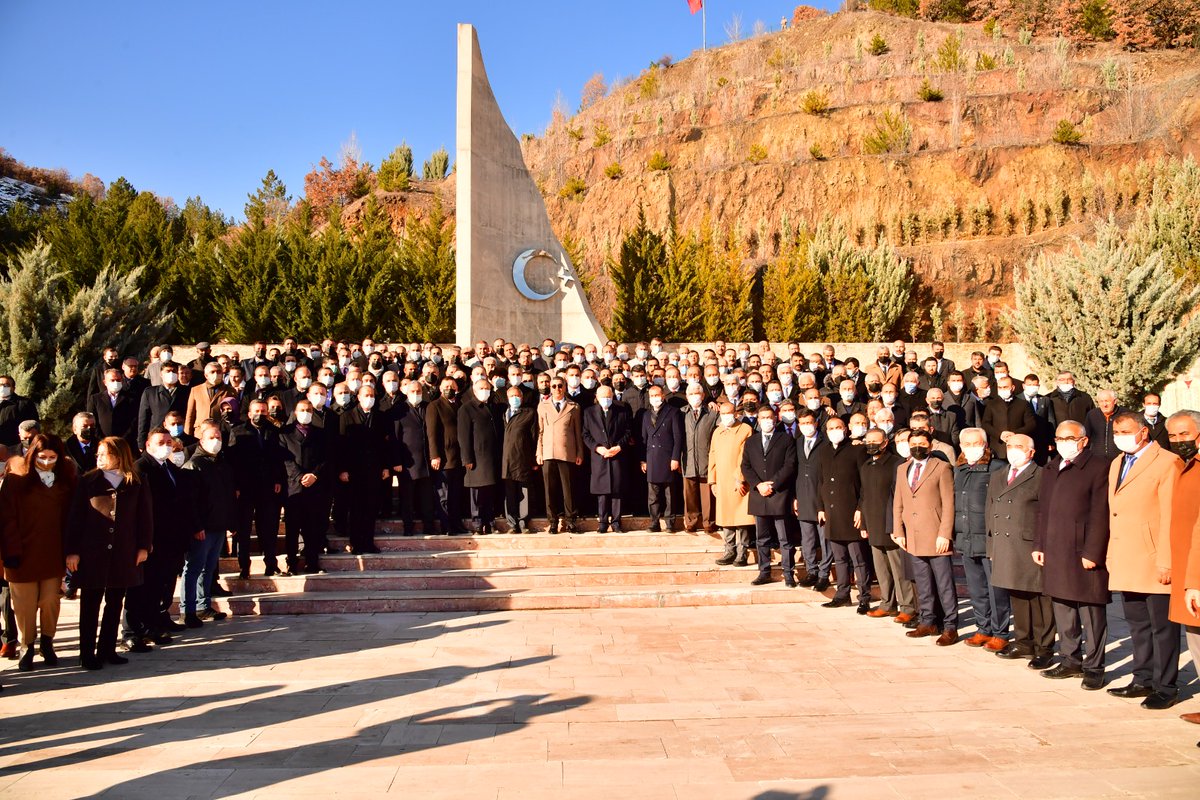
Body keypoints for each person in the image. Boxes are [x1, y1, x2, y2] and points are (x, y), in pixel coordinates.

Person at [1105, 411, 1183, 709]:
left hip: (1154, 557)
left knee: (1162, 627)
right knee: (1137, 623)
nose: (1120, 436)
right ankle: (1143, 678)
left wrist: (1166, 560)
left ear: (1144, 431)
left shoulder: (1166, 462)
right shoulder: (1118, 462)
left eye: (1126, 430)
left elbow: (1170, 517)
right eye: (1116, 431)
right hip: (1126, 556)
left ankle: (1166, 686)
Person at [1034, 420, 1111, 690]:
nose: (1065, 443)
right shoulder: (1052, 466)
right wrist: (1039, 544)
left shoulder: (1098, 467)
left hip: (1083, 550)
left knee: (1091, 609)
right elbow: (1042, 510)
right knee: (1063, 606)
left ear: (1084, 440)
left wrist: (1093, 551)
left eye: (1070, 438)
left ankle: (1094, 665)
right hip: (1056, 548)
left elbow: (1101, 513)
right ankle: (1069, 658)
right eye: (1060, 438)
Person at [65, 436, 152, 670]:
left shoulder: (137, 481)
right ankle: (87, 653)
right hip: (92, 552)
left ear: (118, 455)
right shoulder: (88, 481)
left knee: (115, 603)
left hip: (124, 551)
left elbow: (145, 517)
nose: (99, 457)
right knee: (90, 604)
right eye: (98, 454)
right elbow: (75, 519)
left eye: (104, 453)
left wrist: (144, 546)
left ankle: (107, 649)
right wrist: (72, 551)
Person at [0, 434, 77, 670]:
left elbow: (72, 518)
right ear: (33, 455)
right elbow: (7, 518)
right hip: (21, 553)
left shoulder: (65, 480)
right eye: (42, 457)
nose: (46, 461)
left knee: (49, 601)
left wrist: (71, 550)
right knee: (23, 605)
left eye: (52, 457)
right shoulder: (16, 480)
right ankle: (27, 645)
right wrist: (11, 551)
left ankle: (47, 642)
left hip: (52, 552)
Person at [124, 428, 201, 650]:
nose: (166, 445)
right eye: (161, 442)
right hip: (150, 538)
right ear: (148, 444)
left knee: (157, 586)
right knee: (139, 588)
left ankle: (151, 626)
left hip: (170, 539)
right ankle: (131, 631)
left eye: (169, 441)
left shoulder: (169, 467)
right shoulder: (141, 468)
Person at [986, 433, 1054, 667]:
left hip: (1029, 544)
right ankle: (1023, 641)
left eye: (1019, 446)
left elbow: (1047, 513)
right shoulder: (998, 475)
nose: (1013, 450)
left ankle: (1044, 646)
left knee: (1038, 596)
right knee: (1016, 593)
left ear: (1031, 452)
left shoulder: (1042, 475)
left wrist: (1043, 544)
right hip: (1005, 544)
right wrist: (991, 545)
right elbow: (990, 510)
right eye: (1010, 445)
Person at [894, 429, 958, 646]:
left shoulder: (942, 468)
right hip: (912, 535)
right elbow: (898, 502)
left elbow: (949, 504)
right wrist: (898, 531)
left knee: (944, 583)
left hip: (936, 534)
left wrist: (945, 534)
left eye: (922, 444)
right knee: (922, 582)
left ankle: (950, 626)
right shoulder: (903, 469)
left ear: (930, 446)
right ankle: (927, 621)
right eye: (913, 444)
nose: (917, 448)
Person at [953, 427, 1009, 651]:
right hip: (966, 537)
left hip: (989, 538)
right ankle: (983, 627)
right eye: (966, 444)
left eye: (976, 444)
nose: (971, 448)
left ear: (985, 445)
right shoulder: (960, 469)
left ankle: (1000, 631)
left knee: (996, 589)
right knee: (976, 587)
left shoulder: (997, 468)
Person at [181, 420, 235, 625]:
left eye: (218, 437)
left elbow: (227, 496)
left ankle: (204, 606)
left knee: (209, 568)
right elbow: (190, 502)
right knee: (193, 568)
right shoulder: (194, 465)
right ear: (201, 441)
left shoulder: (222, 464)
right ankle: (188, 610)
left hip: (218, 525)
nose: (215, 441)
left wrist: (231, 523)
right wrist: (196, 526)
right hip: (202, 528)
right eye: (211, 438)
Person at [858, 427, 914, 623]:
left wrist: (896, 525)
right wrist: (864, 523)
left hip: (891, 524)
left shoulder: (896, 464)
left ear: (884, 442)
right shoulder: (866, 465)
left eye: (876, 441)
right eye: (868, 441)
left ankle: (907, 606)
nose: (871, 445)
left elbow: (899, 497)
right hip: (872, 523)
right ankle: (887, 604)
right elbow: (863, 496)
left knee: (898, 569)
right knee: (881, 569)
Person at [815, 416, 871, 612]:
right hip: (831, 513)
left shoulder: (857, 449)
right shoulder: (823, 451)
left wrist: (860, 509)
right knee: (839, 558)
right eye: (831, 428)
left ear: (846, 429)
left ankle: (864, 597)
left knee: (858, 558)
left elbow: (865, 484)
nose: (835, 430)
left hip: (852, 513)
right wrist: (820, 507)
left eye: (838, 427)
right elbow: (821, 481)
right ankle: (842, 594)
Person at [1166, 410, 1200, 725]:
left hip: (1196, 573)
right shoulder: (1178, 467)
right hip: (1183, 568)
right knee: (1195, 639)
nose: (1179, 442)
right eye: (1173, 436)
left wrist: (1194, 581)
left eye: (1184, 434)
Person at [228, 400, 287, 576]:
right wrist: (236, 486)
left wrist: (277, 480)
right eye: (256, 411)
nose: (259, 414)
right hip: (245, 488)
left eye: (263, 411)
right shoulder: (238, 431)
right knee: (244, 529)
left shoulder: (273, 431)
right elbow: (232, 461)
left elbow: (277, 458)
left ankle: (271, 564)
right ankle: (244, 566)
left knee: (268, 527)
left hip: (267, 487)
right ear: (249, 413)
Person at [743, 406, 798, 587]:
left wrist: (772, 484)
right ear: (758, 420)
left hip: (779, 494)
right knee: (762, 538)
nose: (767, 420)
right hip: (759, 494)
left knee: (784, 538)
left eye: (769, 417)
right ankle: (764, 572)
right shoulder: (751, 441)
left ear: (775, 418)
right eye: (763, 417)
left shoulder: (786, 439)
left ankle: (788, 573)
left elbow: (789, 465)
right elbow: (746, 467)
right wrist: (759, 485)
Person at [338, 385, 392, 552]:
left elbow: (385, 445)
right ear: (358, 397)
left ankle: (368, 542)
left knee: (371, 507)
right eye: (366, 395)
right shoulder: (346, 416)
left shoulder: (380, 417)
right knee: (356, 508)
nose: (369, 398)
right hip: (354, 470)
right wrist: (343, 469)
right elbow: (341, 445)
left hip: (374, 469)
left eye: (372, 395)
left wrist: (385, 466)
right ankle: (356, 542)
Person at [537, 376, 584, 534]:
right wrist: (539, 452)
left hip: (567, 452)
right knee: (550, 490)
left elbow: (578, 432)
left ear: (565, 387)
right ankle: (553, 521)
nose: (557, 389)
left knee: (568, 489)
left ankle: (571, 521)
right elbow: (540, 431)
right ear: (550, 388)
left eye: (560, 386)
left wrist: (579, 452)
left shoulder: (574, 406)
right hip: (548, 452)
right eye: (554, 386)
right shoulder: (542, 406)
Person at [709, 402, 753, 566]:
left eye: (729, 413)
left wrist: (740, 477)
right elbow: (712, 456)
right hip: (722, 481)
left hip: (739, 481)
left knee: (741, 518)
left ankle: (742, 552)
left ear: (736, 413)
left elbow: (745, 456)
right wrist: (712, 480)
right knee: (725, 517)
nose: (726, 416)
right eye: (723, 413)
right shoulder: (717, 431)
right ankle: (729, 550)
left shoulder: (745, 430)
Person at [582, 385, 630, 533]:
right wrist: (597, 448)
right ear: (596, 397)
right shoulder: (589, 412)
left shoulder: (621, 411)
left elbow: (628, 431)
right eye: (603, 397)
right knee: (602, 491)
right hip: (599, 456)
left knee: (617, 490)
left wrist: (619, 447)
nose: (606, 400)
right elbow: (585, 434)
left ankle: (616, 522)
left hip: (617, 455)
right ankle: (602, 522)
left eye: (609, 397)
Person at [793, 409, 832, 591]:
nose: (807, 426)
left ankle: (824, 574)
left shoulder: (826, 442)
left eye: (809, 423)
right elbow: (796, 471)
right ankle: (812, 571)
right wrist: (795, 497)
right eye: (803, 423)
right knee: (807, 539)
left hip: (821, 498)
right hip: (803, 496)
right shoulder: (798, 442)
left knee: (825, 539)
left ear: (816, 423)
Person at [459, 379, 503, 534]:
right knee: (476, 494)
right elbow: (463, 437)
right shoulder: (466, 409)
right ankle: (477, 524)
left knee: (490, 493)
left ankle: (489, 522)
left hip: (491, 458)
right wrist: (467, 459)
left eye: (487, 388)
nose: (485, 391)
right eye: (482, 388)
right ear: (475, 391)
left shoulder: (492, 406)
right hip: (476, 459)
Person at [393, 381, 436, 535]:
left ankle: (429, 526)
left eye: (419, 391)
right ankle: (408, 528)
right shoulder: (399, 410)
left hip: (426, 460)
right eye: (413, 391)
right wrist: (396, 461)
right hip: (407, 462)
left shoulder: (428, 407)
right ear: (406, 391)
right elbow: (395, 438)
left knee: (427, 498)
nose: (416, 394)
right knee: (407, 499)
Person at [640, 385, 684, 533]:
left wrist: (675, 458)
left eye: (657, 395)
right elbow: (643, 440)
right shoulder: (646, 415)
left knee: (669, 494)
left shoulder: (673, 412)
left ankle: (670, 522)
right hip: (651, 458)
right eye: (651, 396)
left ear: (663, 396)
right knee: (653, 495)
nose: (654, 398)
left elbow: (678, 438)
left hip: (668, 458)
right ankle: (654, 522)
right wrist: (643, 460)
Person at [427, 377, 466, 535]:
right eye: (446, 386)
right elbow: (432, 433)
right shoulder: (434, 405)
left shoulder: (460, 405)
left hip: (459, 457)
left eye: (452, 386)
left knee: (456, 494)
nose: (449, 388)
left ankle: (456, 523)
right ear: (441, 388)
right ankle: (447, 525)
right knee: (444, 495)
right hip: (443, 458)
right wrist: (434, 455)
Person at [500, 385, 539, 533]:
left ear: (522, 398)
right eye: (511, 396)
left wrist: (534, 459)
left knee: (524, 492)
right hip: (506, 459)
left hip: (523, 458)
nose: (514, 399)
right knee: (509, 492)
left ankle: (523, 522)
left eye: (517, 396)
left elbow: (534, 436)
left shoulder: (529, 413)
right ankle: (512, 523)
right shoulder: (503, 413)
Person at [680, 384, 717, 534]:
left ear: (702, 396)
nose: (694, 396)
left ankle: (709, 523)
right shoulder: (681, 413)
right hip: (687, 459)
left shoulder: (712, 413)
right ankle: (691, 522)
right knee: (689, 494)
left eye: (697, 393)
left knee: (707, 494)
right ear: (687, 396)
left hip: (706, 459)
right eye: (691, 393)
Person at [137, 361, 188, 448]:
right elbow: (143, 419)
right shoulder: (150, 392)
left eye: (174, 371)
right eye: (168, 371)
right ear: (161, 374)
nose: (171, 374)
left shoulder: (187, 391)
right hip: (157, 438)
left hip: (181, 438)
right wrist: (141, 442)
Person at [87, 368, 139, 451]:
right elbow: (92, 420)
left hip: (125, 444)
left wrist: (122, 440)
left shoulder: (131, 399)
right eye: (112, 380)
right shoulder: (95, 399)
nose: (116, 383)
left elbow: (134, 421)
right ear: (105, 382)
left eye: (118, 380)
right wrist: (102, 440)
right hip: (101, 444)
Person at [185, 361, 232, 436]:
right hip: (200, 432)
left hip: (221, 432)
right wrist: (187, 434)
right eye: (212, 372)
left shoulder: (230, 390)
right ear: (206, 375)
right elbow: (190, 414)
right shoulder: (196, 390)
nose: (216, 374)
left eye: (219, 371)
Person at [1084, 390, 1126, 462]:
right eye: (1101, 401)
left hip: (1120, 459)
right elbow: (1087, 437)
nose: (1104, 404)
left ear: (1115, 401)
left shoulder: (1125, 414)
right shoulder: (1092, 415)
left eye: (1107, 401)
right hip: (1096, 460)